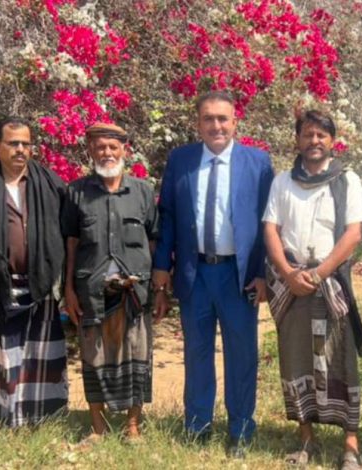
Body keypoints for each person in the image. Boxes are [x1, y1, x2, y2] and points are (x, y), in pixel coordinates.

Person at [152, 90, 274, 457]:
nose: (216, 125)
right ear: (198, 123)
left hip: (239, 275)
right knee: (197, 351)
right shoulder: (181, 160)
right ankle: (198, 425)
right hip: (196, 273)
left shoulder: (258, 162)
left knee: (242, 354)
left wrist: (263, 272)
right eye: (208, 118)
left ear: (235, 122)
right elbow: (168, 216)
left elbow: (269, 222)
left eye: (223, 118)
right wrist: (162, 265)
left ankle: (241, 428)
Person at [262, 110, 362, 469]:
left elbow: (354, 233)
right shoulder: (283, 181)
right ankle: (306, 438)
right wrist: (289, 274)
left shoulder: (346, 180)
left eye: (321, 135)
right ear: (298, 140)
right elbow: (271, 229)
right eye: (308, 134)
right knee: (295, 357)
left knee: (341, 358)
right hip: (291, 284)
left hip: (330, 281)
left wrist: (320, 274)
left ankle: (350, 444)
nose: (314, 141)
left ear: (332, 141)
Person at [0, 116, 68, 427]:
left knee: (43, 355)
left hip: (43, 286)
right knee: (7, 357)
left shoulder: (51, 184)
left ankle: (47, 420)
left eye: (25, 144)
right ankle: (9, 420)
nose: (20, 149)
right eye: (13, 143)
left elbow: (70, 235)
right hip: (0, 288)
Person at [62, 122, 158, 442]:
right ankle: (98, 428)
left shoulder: (142, 192)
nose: (107, 152)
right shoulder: (76, 192)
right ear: (91, 150)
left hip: (135, 290)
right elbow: (71, 243)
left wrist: (158, 289)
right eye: (100, 147)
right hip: (92, 289)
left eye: (113, 147)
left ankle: (133, 427)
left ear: (123, 150)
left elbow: (153, 241)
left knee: (137, 353)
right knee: (94, 356)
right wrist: (68, 289)